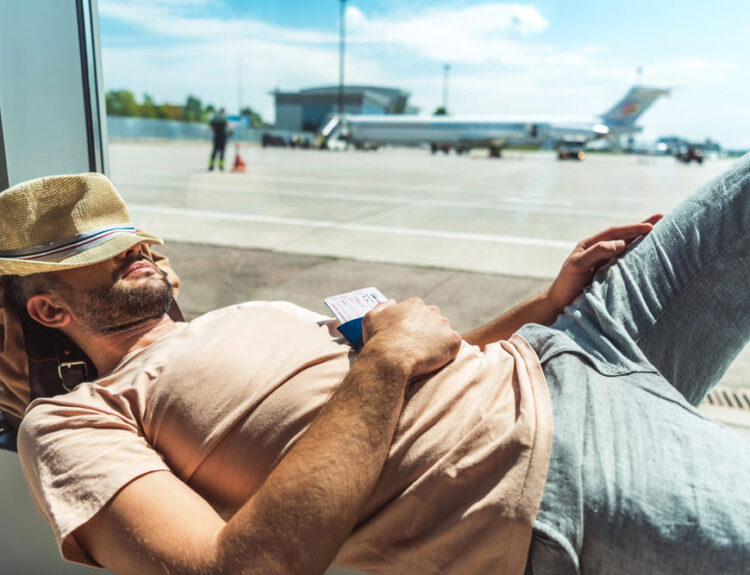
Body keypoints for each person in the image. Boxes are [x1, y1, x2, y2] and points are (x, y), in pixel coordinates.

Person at [0, 158, 748, 574]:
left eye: (129, 236)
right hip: (540, 464)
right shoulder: (73, 418)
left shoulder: (243, 316)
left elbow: (422, 362)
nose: (135, 247)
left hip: (566, 348)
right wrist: (382, 359)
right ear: (49, 310)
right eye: (91, 253)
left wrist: (545, 302)